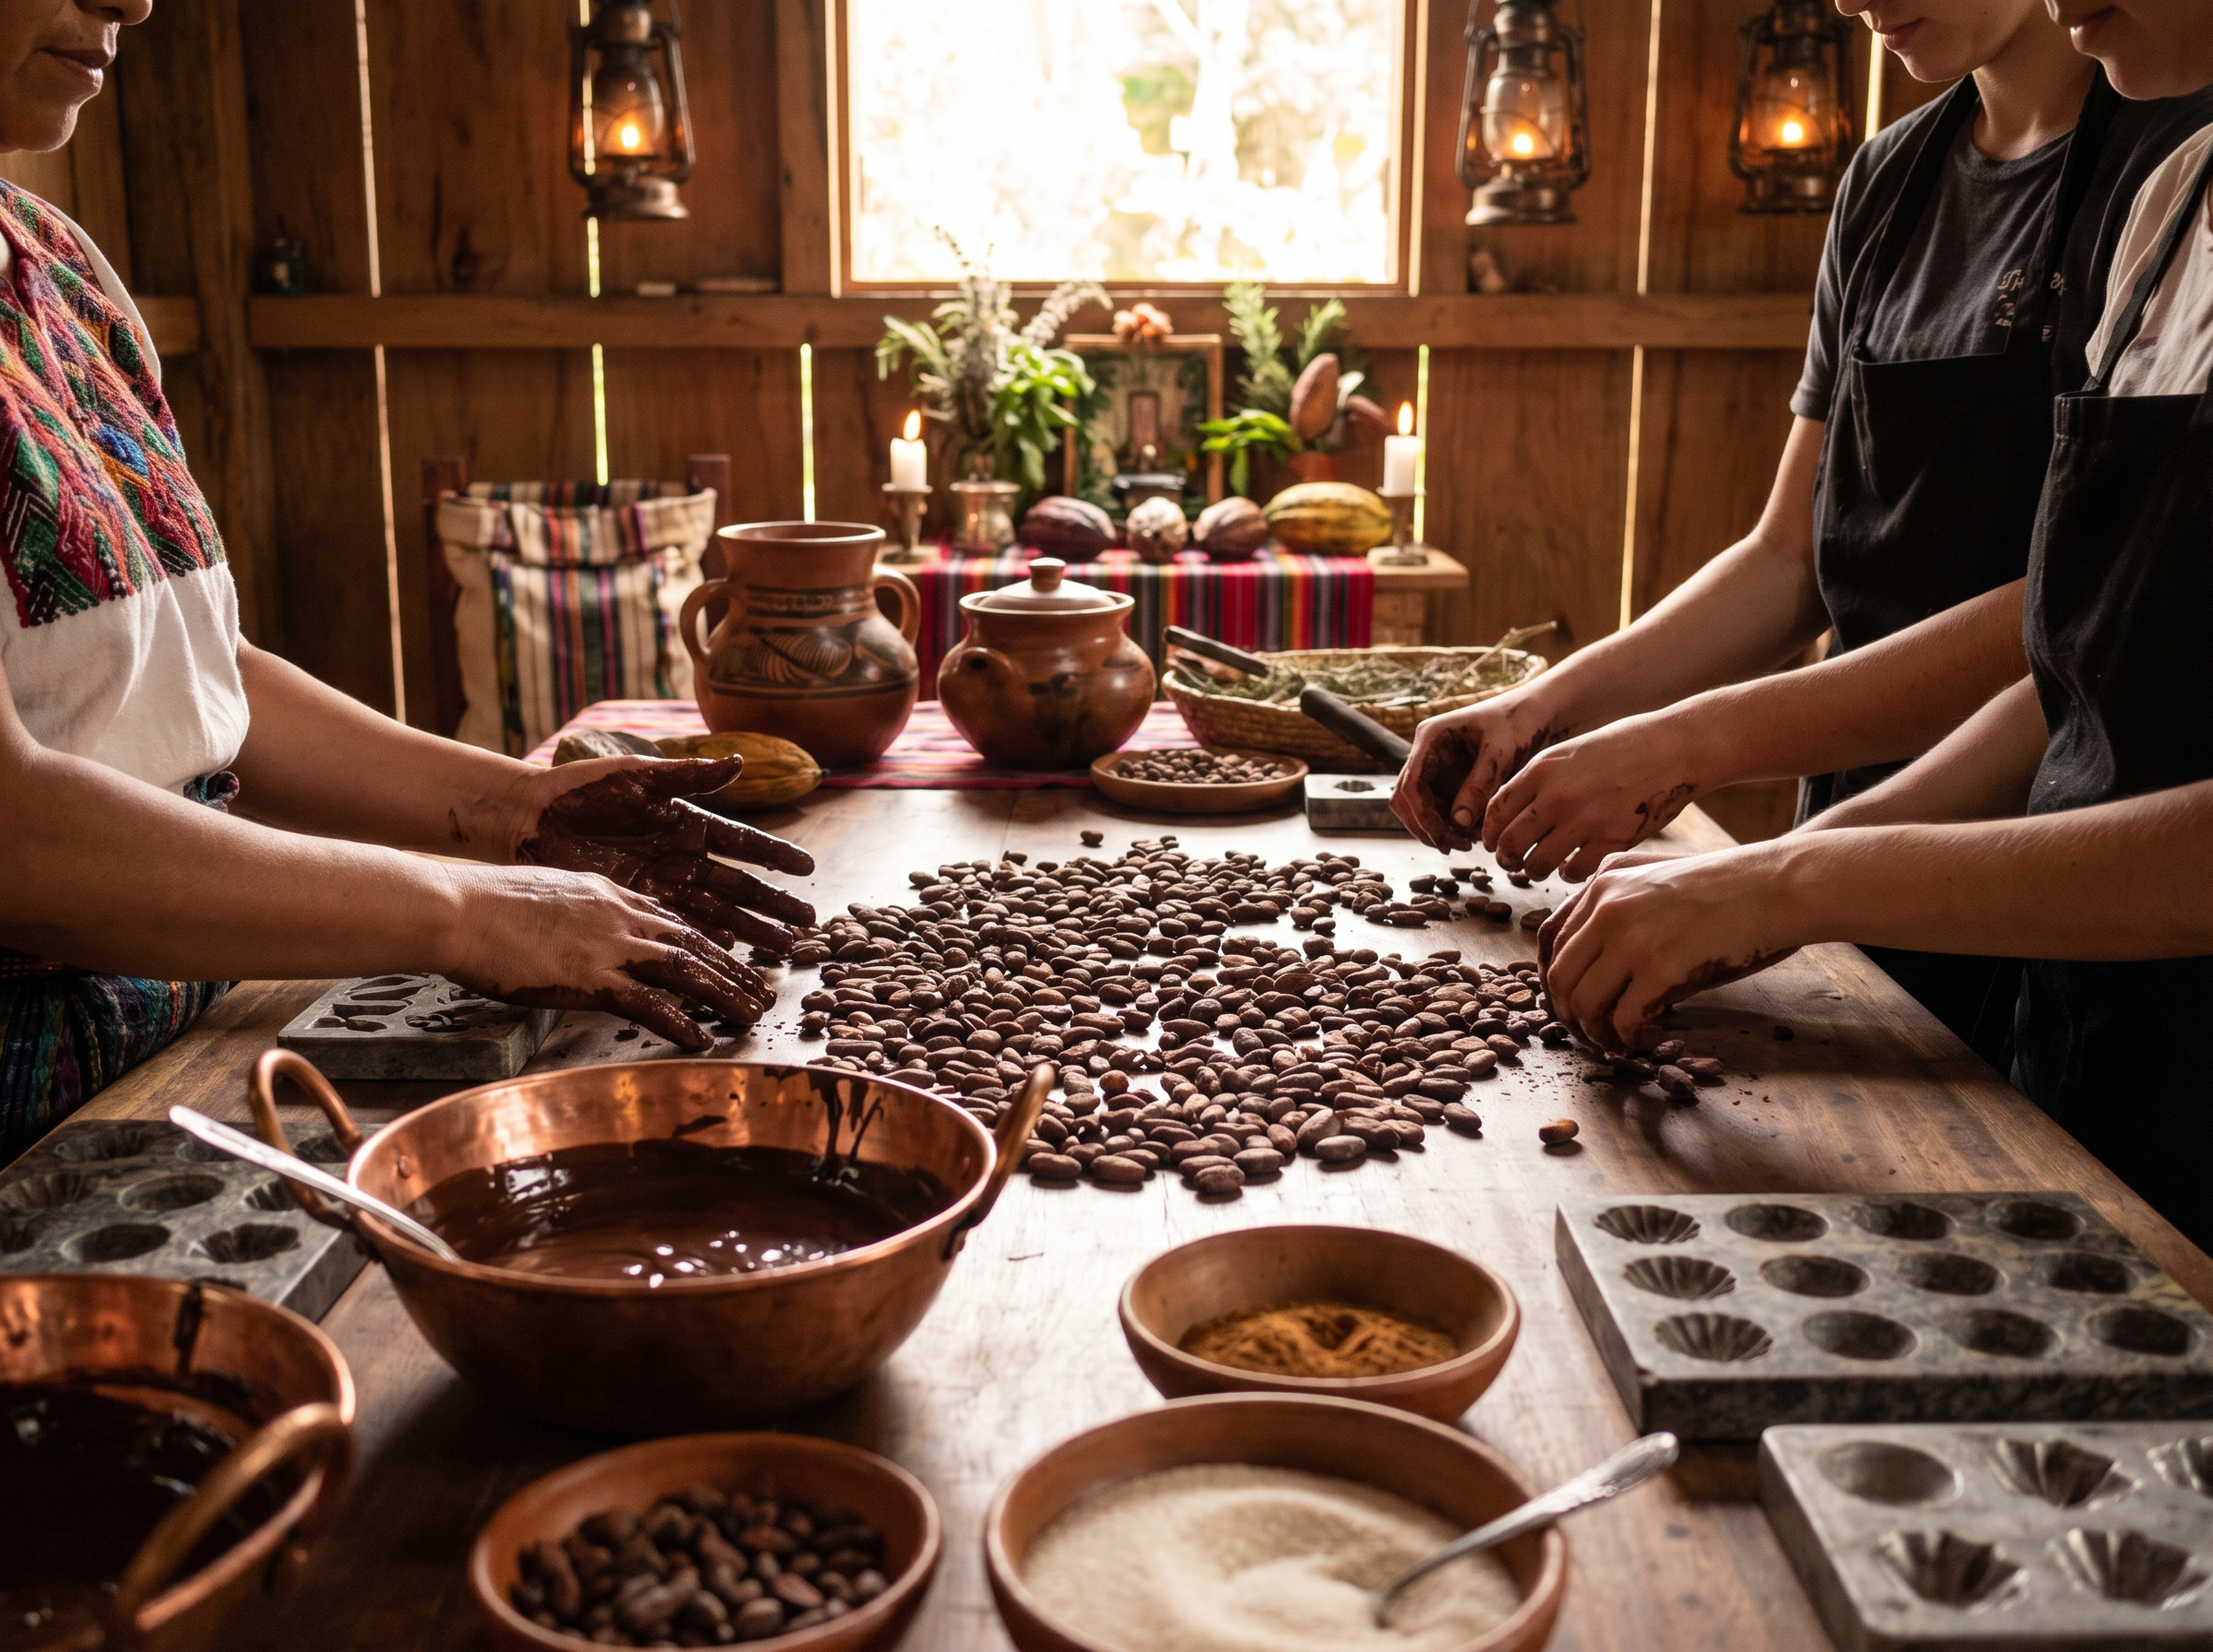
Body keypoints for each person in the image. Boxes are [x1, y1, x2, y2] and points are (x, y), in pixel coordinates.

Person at [0, 0, 810, 1158]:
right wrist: (464, 907)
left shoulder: (60, 271)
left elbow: (193, 680)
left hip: (198, 1030)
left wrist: (515, 813)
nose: (131, 1)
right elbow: (16, 837)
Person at [1392, 0, 2213, 1068]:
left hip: (2047, 890)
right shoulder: (1958, 187)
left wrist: (1729, 795)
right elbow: (1804, 561)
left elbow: (2050, 626)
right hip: (1918, 856)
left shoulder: (2146, 158)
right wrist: (1551, 708)